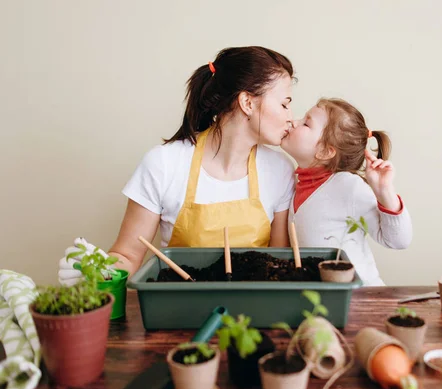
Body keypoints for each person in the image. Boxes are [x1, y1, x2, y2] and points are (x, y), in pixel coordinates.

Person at [58, 46, 297, 286]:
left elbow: (277, 264)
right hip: (178, 312)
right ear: (247, 102)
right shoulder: (164, 164)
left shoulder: (280, 170)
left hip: (252, 313)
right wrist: (100, 270)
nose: (290, 116)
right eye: (284, 104)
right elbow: (128, 255)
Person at [280, 98, 413, 286]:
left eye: (306, 123)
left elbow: (399, 241)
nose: (293, 122)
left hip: (363, 300)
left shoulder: (348, 187)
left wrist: (385, 192)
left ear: (325, 151)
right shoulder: (295, 185)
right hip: (328, 302)